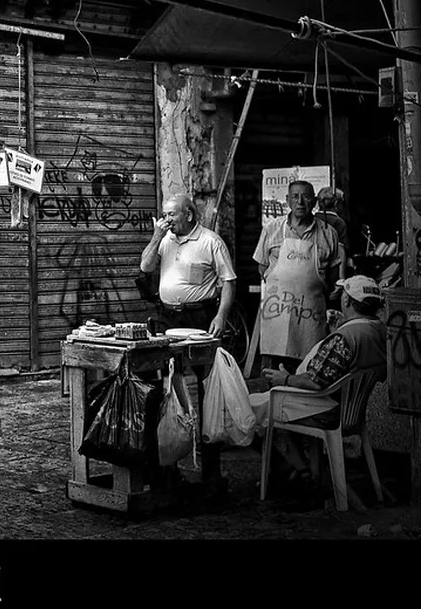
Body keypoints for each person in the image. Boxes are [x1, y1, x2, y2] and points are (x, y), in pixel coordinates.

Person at [250, 274, 387, 429]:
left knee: (251, 408)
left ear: (346, 300)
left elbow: (315, 382)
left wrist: (285, 379)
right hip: (352, 408)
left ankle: (286, 453)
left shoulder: (344, 338)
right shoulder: (380, 329)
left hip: (327, 406)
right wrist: (337, 330)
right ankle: (302, 453)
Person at [252, 180, 343, 370]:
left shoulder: (329, 233)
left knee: (309, 368)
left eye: (306, 197)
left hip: (312, 315)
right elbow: (262, 267)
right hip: (278, 312)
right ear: (287, 200)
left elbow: (333, 276)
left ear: (315, 201)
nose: (300, 202)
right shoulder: (272, 229)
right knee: (274, 374)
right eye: (295, 196)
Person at [139, 192, 237, 336]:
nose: (167, 220)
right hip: (167, 315)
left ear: (188, 215)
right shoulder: (165, 240)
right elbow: (145, 267)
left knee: (197, 356)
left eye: (172, 214)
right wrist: (156, 237)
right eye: (164, 215)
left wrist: (221, 317)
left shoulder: (210, 242)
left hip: (198, 315)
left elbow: (229, 281)